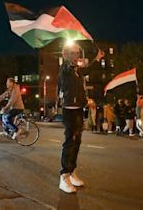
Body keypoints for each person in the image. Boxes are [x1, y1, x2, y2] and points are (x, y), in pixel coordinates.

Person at [57, 42, 104, 193]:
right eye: (74, 53)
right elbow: (67, 70)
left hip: (78, 109)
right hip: (69, 110)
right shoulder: (65, 68)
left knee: (77, 141)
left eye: (78, 53)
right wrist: (70, 62)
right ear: (66, 55)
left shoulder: (77, 70)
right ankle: (64, 176)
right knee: (70, 141)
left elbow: (87, 70)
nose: (77, 55)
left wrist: (97, 58)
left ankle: (71, 172)